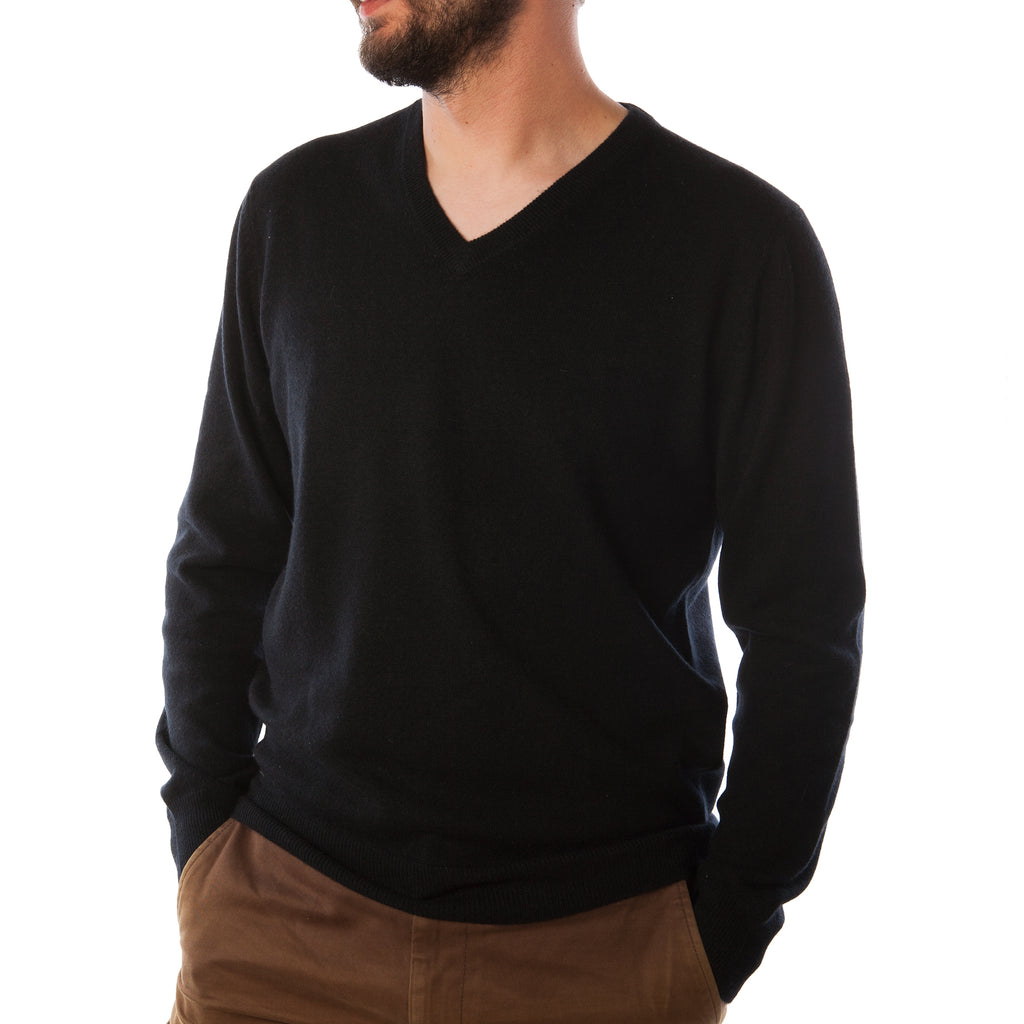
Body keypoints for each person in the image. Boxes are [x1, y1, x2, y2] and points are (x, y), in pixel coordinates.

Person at [157, 0, 865, 1021]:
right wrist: (205, 845)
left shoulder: (740, 246)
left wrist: (719, 929)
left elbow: (806, 630)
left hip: (600, 953)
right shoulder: (296, 211)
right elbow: (221, 554)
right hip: (280, 932)